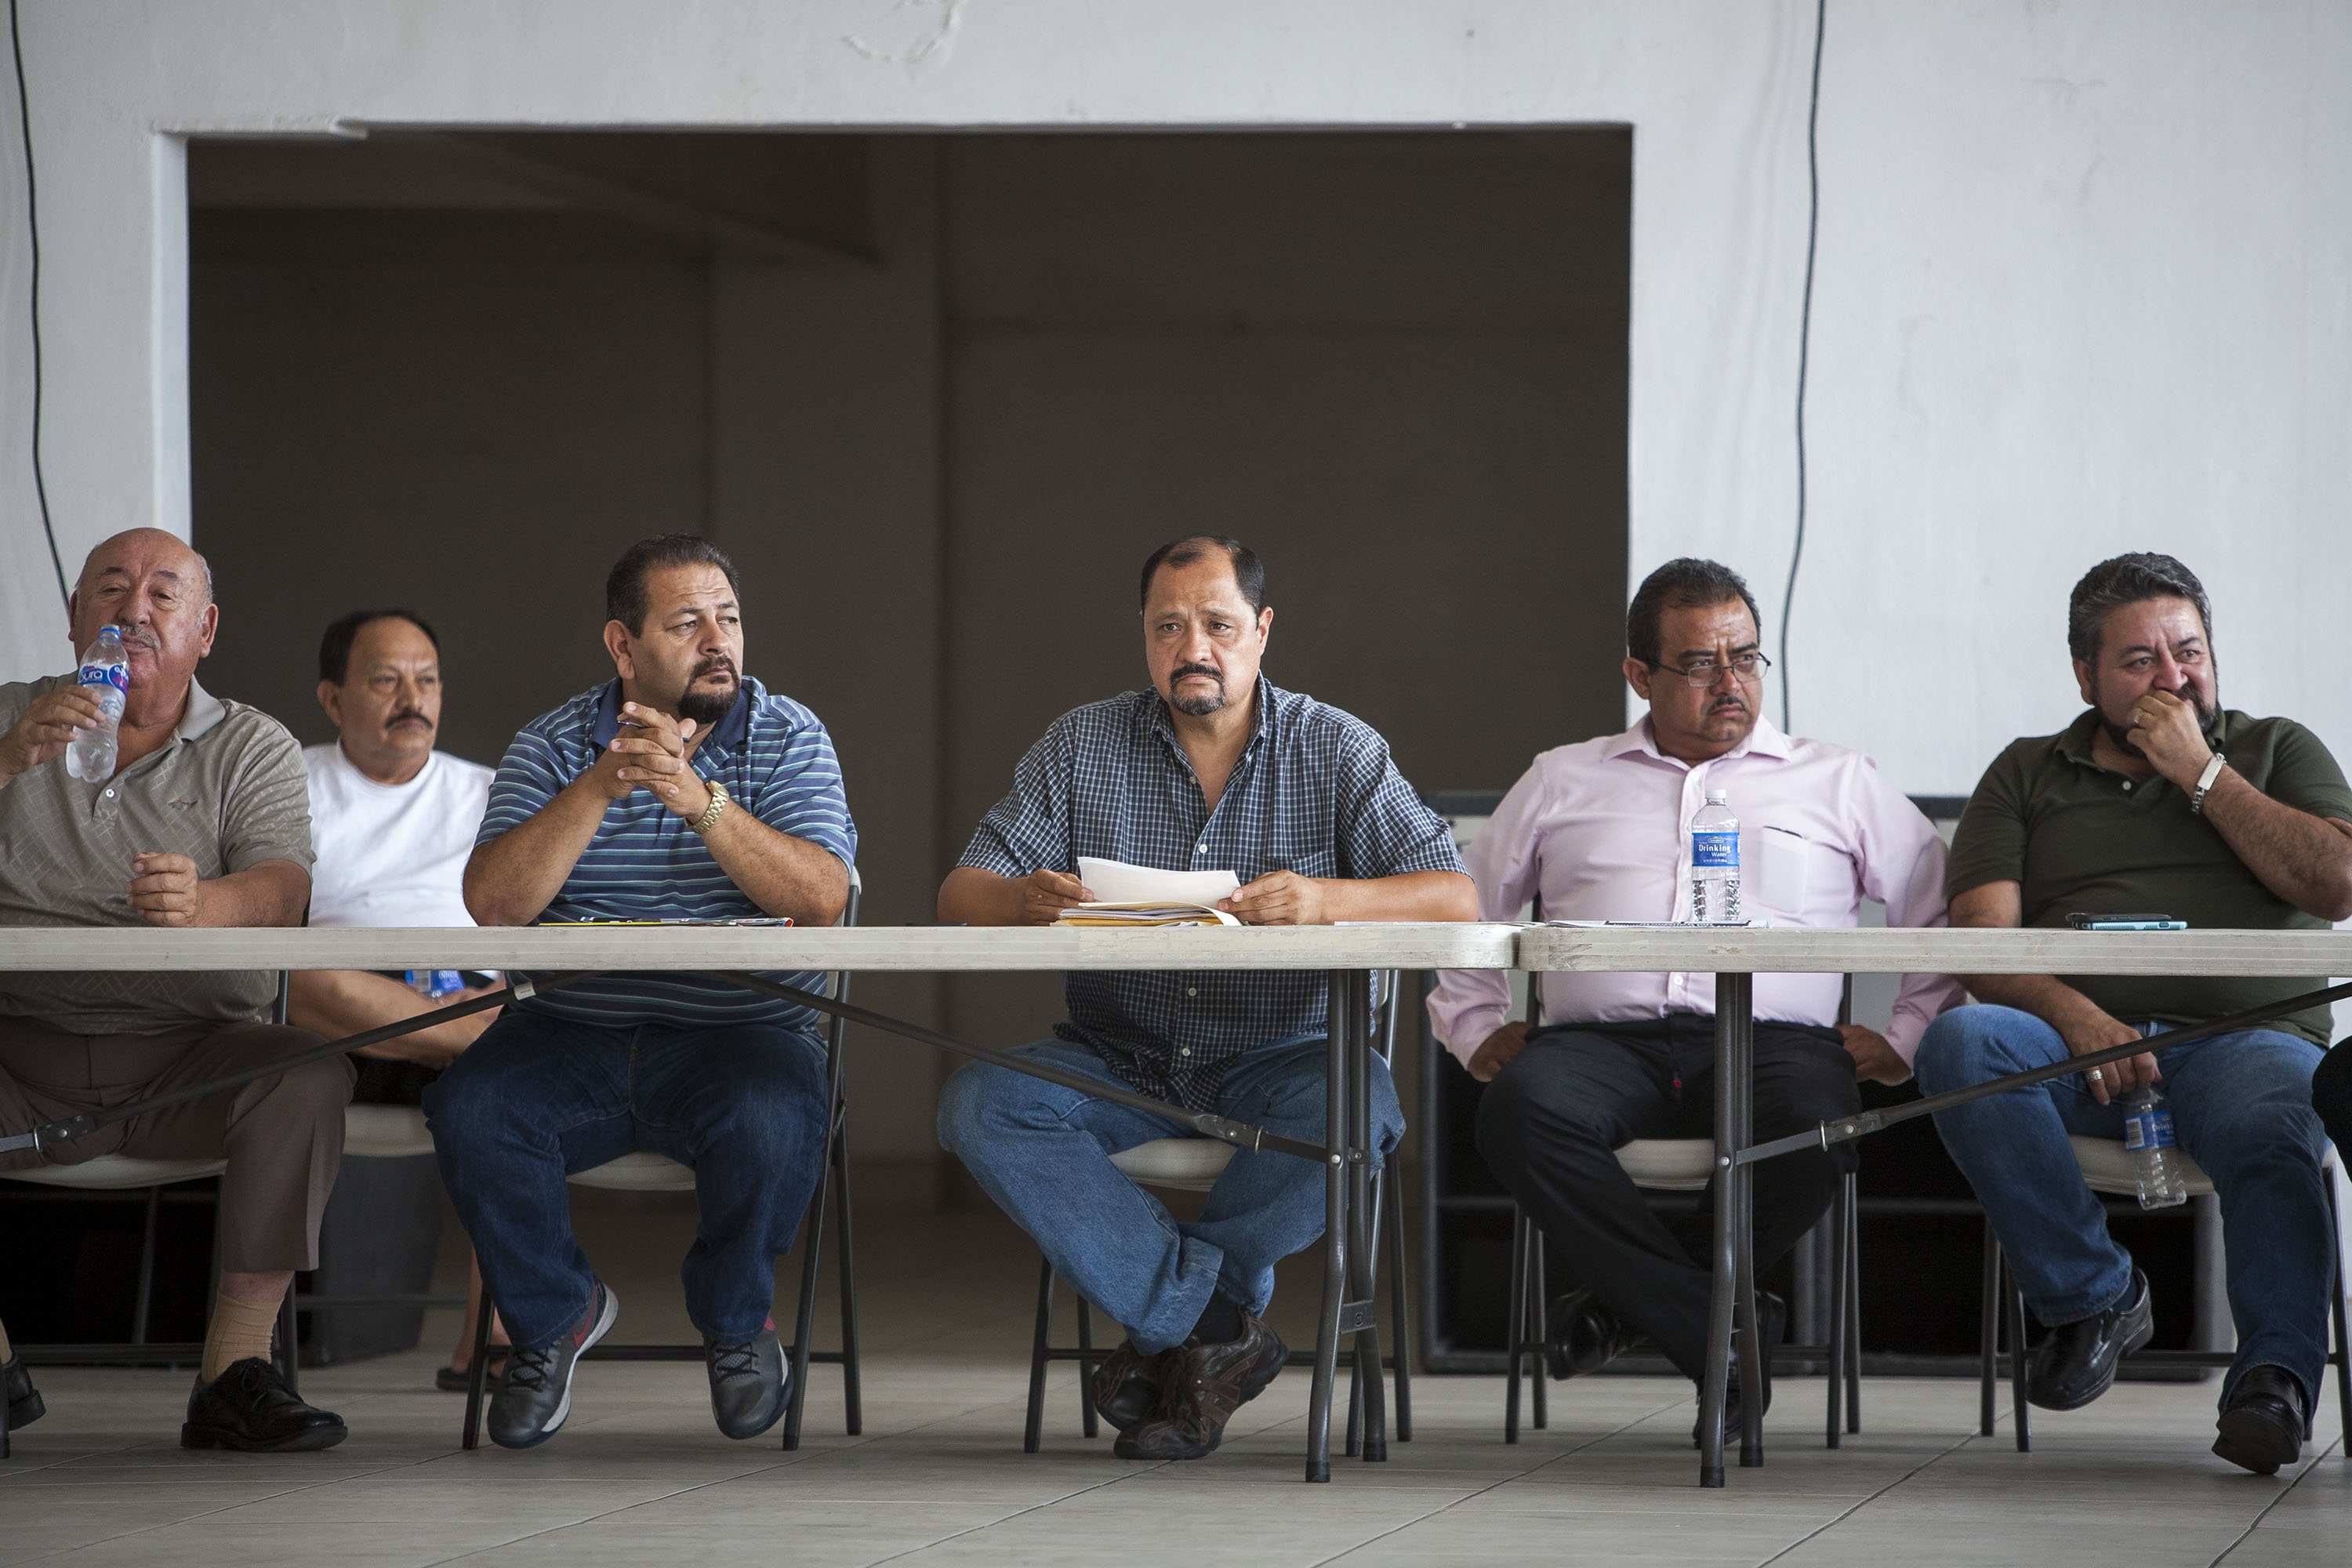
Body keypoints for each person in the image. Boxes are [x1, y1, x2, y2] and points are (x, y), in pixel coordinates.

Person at [935, 535, 1475, 1463]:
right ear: (1144, 635)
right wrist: (1021, 896)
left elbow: (1454, 894)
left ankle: (1176, 1339)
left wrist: (1323, 899)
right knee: (982, 1104)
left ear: (1262, 631)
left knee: (1363, 1103)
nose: (1196, 646)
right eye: (1170, 626)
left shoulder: (1336, 746)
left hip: (1281, 1056)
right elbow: (959, 893)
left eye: (1219, 625)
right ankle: (1220, 1325)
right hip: (1119, 1052)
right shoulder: (1079, 744)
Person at [1429, 557, 1961, 1444]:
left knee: (1819, 1120)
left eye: (1747, 658)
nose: (1731, 682)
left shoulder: (1835, 780)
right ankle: (1721, 1329)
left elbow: (1938, 909)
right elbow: (1461, 900)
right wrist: (1474, 1021)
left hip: (1773, 1042)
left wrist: (1906, 1032)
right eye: (1701, 663)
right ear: (1640, 675)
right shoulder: (1564, 776)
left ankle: (1633, 1304)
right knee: (1517, 1114)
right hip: (1602, 1046)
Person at [1913, 552, 2352, 1475]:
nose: (2173, 677)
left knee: (2278, 1121)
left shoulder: (2278, 747)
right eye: (2140, 661)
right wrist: (2075, 1013)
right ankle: (2095, 1295)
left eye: (2188, 651)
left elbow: (2336, 880)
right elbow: (1982, 939)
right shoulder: (2028, 771)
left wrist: (2201, 773)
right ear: (2084, 675)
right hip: (2075, 1046)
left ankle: (2274, 1379)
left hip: (2247, 1039)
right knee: (1959, 1038)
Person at [425, 535, 855, 1450]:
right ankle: (552, 1318)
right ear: (623, 647)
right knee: (472, 1104)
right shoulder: (549, 742)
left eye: (729, 618)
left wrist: (695, 797)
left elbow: (823, 898)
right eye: (688, 622)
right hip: (571, 1029)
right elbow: (494, 904)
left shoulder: (789, 734)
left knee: (774, 1114)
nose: (718, 641)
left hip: (743, 1031)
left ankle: (738, 1323)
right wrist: (602, 781)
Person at [0, 528, 351, 1452]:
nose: (134, 608)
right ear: (77, 616)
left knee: (306, 1070)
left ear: (205, 629)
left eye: (164, 593)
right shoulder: (9, 716)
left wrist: (206, 903)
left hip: (190, 1063)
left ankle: (234, 1372)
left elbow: (284, 888)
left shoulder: (250, 743)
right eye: (111, 588)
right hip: (17, 1050)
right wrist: (1, 763)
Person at [288, 608, 506, 1392]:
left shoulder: (488, 792)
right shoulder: (288, 783)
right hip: (335, 1027)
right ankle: (471, 1037)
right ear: (333, 697)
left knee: (503, 1080)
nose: (411, 697)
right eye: (385, 680)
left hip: (462, 998)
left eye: (427, 679)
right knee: (299, 978)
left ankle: (494, 1333)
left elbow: (534, 926)